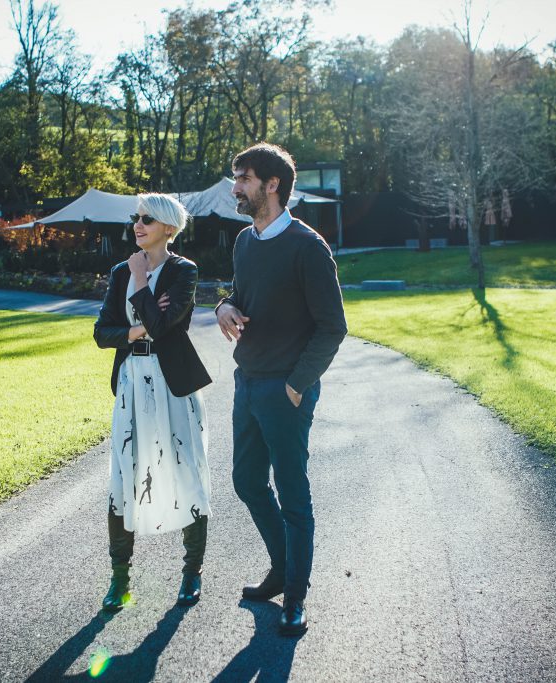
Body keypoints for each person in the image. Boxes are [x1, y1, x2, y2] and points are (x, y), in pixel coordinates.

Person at [215, 143, 347, 636]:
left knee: (293, 496)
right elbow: (240, 296)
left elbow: (332, 327)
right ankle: (280, 568)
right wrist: (223, 307)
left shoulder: (308, 246)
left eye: (244, 178)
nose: (236, 188)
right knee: (248, 483)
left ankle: (295, 597)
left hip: (286, 392)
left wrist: (296, 386)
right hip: (246, 382)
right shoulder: (245, 242)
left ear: (272, 185)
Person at [94, 193, 212, 611]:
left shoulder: (184, 272)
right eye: (135, 218)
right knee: (124, 476)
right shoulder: (119, 270)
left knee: (186, 471)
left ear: (168, 228)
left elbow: (164, 328)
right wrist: (136, 329)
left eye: (147, 218)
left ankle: (191, 573)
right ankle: (119, 580)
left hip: (173, 383)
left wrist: (142, 282)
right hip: (130, 382)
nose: (137, 224)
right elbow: (102, 332)